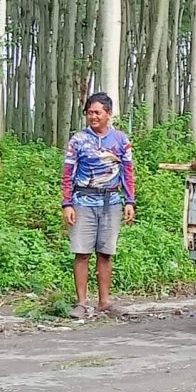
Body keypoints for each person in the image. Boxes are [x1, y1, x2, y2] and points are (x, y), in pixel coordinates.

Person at [61, 93, 136, 319]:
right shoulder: (77, 141)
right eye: (89, 113)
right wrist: (67, 203)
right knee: (82, 253)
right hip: (83, 201)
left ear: (108, 114)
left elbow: (128, 171)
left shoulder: (121, 140)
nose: (93, 117)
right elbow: (67, 173)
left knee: (105, 253)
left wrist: (129, 200)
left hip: (111, 202)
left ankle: (104, 301)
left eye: (97, 112)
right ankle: (82, 303)